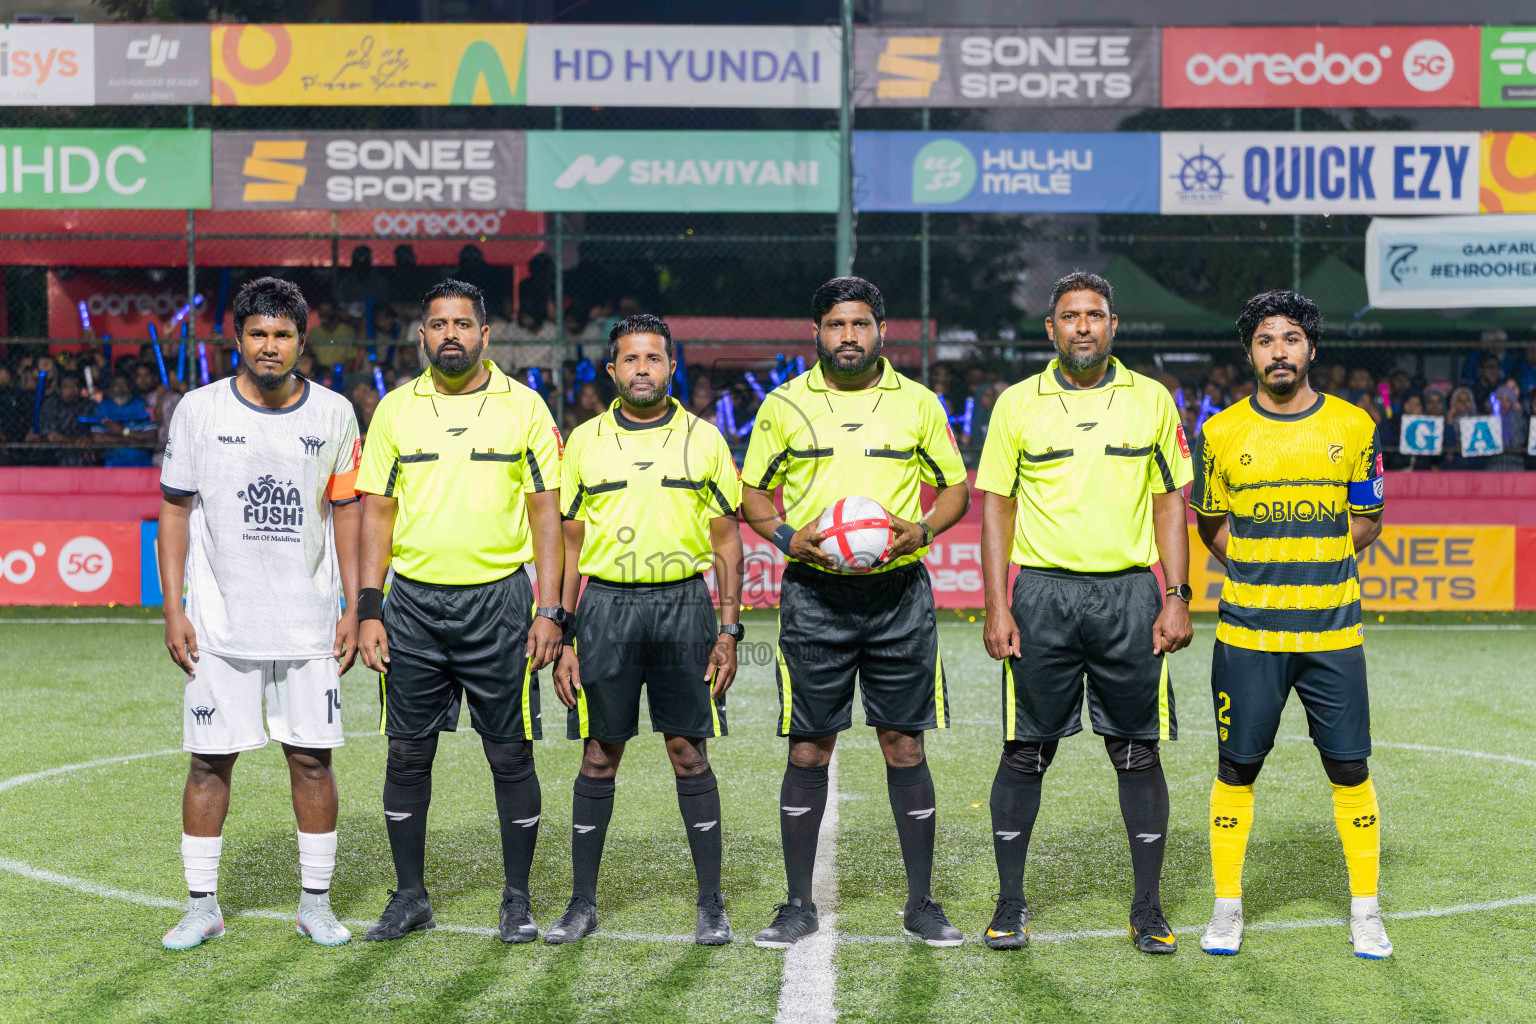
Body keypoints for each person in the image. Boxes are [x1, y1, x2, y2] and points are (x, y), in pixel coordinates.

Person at [739, 276, 971, 948]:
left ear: (881, 330)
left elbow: (954, 490)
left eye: (860, 324)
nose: (849, 336)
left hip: (898, 596)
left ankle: (921, 904)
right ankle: (796, 905)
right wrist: (788, 537)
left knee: (904, 744)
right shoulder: (784, 404)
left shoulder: (917, 403)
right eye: (837, 325)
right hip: (815, 596)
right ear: (817, 332)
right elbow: (754, 496)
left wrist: (923, 530)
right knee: (809, 745)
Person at [975, 271, 1193, 955]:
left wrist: (1177, 595)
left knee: (1136, 748)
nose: (1083, 327)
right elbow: (996, 508)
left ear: (1113, 325)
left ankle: (1148, 909)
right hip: (1042, 596)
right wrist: (997, 604)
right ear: (1051, 329)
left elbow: (1170, 503)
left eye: (1095, 315)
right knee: (1026, 748)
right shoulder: (1017, 404)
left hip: (1129, 595)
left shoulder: (1152, 400)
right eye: (1070, 316)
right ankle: (1010, 903)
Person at [156, 277, 364, 950]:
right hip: (220, 625)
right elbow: (174, 512)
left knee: (312, 761)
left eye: (282, 335)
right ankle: (201, 907)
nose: (269, 346)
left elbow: (348, 513)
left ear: (302, 340)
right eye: (257, 334)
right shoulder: (199, 410)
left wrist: (354, 607)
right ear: (238, 338)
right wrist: (173, 609)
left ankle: (316, 905)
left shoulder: (334, 413)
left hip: (307, 623)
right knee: (208, 763)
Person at [356, 279, 565, 944]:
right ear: (422, 335)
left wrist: (551, 609)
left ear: (485, 334)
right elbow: (376, 515)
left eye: (463, 323)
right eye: (440, 324)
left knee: (510, 754)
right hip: (413, 606)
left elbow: (547, 518)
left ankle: (517, 899)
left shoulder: (524, 408)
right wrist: (368, 608)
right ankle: (409, 896)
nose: (452, 334)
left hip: (499, 603)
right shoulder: (395, 411)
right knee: (406, 755)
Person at [1189, 290, 1388, 959]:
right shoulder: (1219, 434)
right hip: (1249, 635)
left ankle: (1366, 910)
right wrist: (1260, 566)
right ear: (1249, 353)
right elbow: (1210, 524)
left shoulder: (1355, 426)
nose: (1279, 351)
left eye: (1291, 338)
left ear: (1311, 348)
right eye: (1266, 340)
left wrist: (1316, 558)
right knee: (1236, 768)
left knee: (1350, 768)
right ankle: (1226, 907)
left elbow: (1368, 521)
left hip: (1333, 634)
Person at [546, 313, 744, 946]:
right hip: (605, 608)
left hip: (684, 605)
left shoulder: (705, 440)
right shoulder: (584, 442)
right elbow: (569, 546)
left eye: (653, 358)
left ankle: (711, 904)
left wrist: (729, 629)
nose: (642, 369)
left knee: (688, 752)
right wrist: (565, 634)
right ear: (612, 370)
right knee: (598, 754)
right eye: (630, 359)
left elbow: (727, 542)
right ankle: (581, 904)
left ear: (671, 367)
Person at [30, 370, 94, 465]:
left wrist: (89, 439)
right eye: (67, 387)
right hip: (56, 455)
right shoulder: (51, 405)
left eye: (76, 386)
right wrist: (75, 441)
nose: (72, 391)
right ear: (59, 389)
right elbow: (52, 436)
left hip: (84, 454)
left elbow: (98, 432)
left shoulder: (89, 406)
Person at [93, 374, 157, 466]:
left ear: (130, 388)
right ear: (111, 388)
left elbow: (151, 436)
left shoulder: (140, 405)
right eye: (117, 385)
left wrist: (123, 431)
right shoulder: (103, 407)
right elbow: (97, 438)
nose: (121, 389)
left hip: (140, 463)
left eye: (124, 385)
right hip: (113, 464)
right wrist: (130, 440)